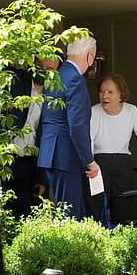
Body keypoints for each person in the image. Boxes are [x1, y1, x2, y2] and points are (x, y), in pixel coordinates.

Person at [87, 73, 137, 224]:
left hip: (122, 165)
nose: (104, 95)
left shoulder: (131, 111)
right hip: (98, 164)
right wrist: (91, 164)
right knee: (96, 211)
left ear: (120, 95)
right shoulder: (94, 112)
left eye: (110, 92)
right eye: (102, 91)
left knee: (122, 212)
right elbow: (89, 140)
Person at [37, 36, 100, 221]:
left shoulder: (55, 77)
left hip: (52, 154)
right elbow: (77, 125)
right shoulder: (75, 80)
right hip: (66, 156)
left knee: (66, 213)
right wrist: (89, 161)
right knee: (72, 216)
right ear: (89, 56)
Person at [0, 58, 60, 218]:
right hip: (4, 159)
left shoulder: (52, 99)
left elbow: (47, 139)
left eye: (50, 69)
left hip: (27, 164)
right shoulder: (17, 82)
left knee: (23, 216)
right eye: (40, 66)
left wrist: (43, 178)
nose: (43, 71)